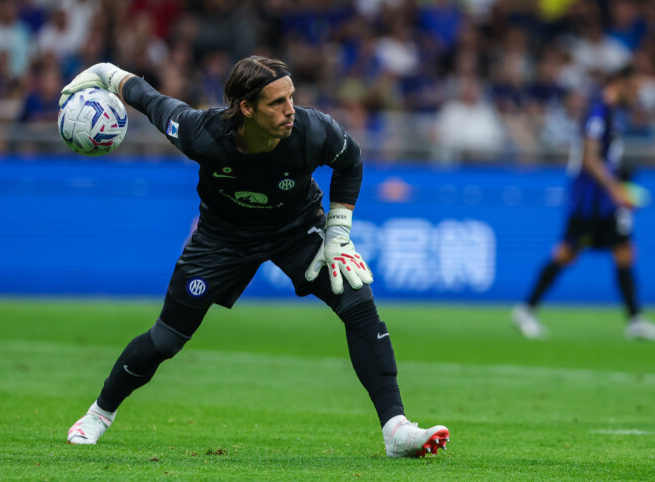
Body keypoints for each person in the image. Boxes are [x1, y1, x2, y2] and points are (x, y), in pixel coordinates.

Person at [61, 57, 449, 458]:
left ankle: (395, 429)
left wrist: (337, 231)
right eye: (277, 103)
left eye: (291, 98)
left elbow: (351, 163)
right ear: (246, 108)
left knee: (358, 302)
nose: (290, 110)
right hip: (222, 239)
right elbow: (149, 99)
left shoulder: (314, 129)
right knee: (166, 340)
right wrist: (105, 72)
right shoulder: (200, 132)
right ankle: (98, 414)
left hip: (295, 229)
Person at [512, 66, 655, 342]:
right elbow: (590, 159)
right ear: (620, 82)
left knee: (625, 252)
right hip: (589, 203)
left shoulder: (613, 113)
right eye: (634, 88)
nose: (636, 95)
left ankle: (636, 321)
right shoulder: (599, 111)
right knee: (566, 254)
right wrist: (616, 190)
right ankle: (526, 310)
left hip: (606, 204)